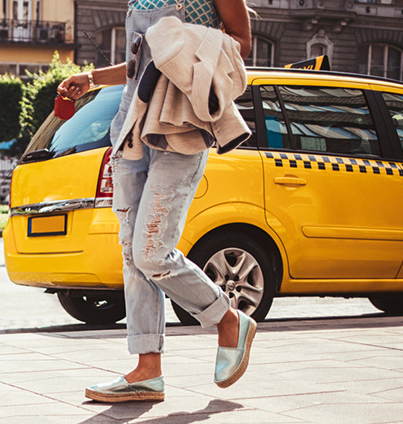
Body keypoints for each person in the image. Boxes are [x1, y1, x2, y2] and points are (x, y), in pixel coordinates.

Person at [57, 0, 255, 403]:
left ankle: (227, 319)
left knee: (151, 252)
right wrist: (93, 77)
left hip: (180, 121)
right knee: (132, 253)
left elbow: (240, 44)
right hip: (131, 124)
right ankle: (147, 370)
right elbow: (139, 63)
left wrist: (183, 46)